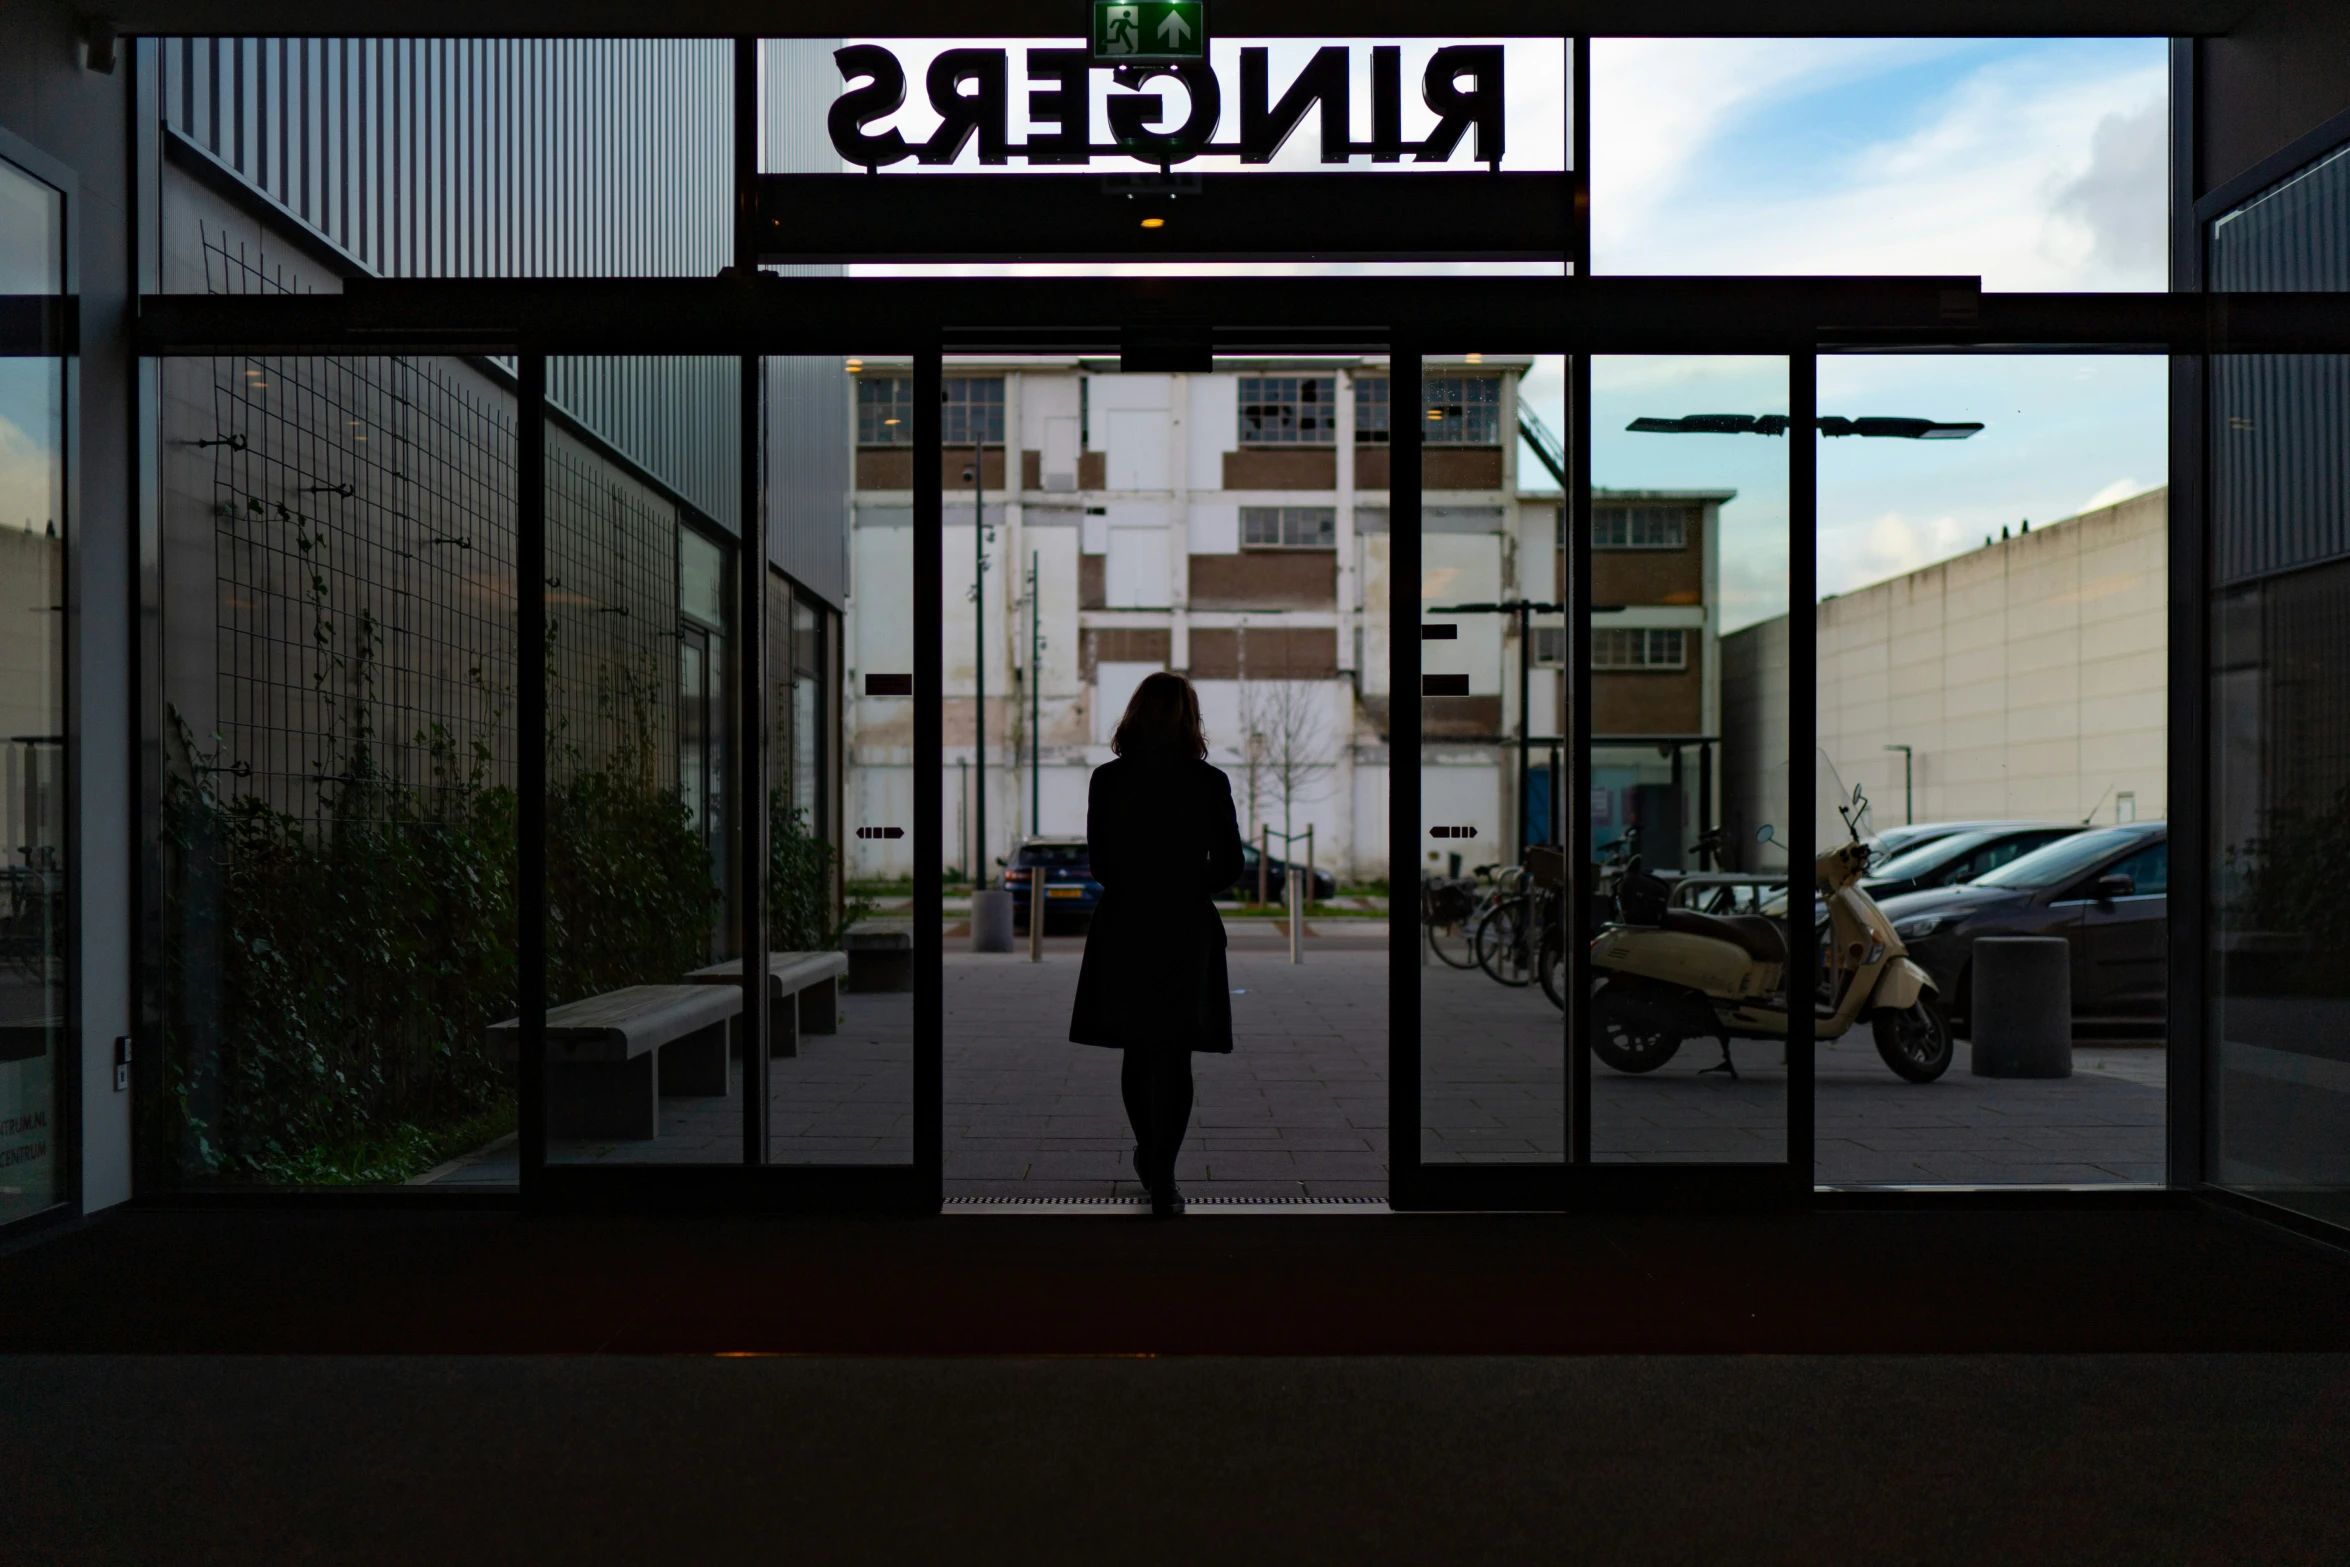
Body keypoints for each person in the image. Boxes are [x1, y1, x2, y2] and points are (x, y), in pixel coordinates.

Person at [1069, 672, 1246, 1217]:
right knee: (1176, 1051)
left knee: (1136, 1045)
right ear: (1189, 718)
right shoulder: (1208, 782)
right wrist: (1190, 885)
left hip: (1126, 923)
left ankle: (1150, 1152)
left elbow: (1100, 863)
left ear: (1136, 714)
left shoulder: (1108, 780)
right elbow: (1233, 865)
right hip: (1185, 926)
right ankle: (1164, 1173)